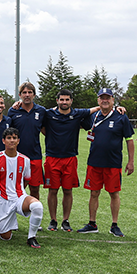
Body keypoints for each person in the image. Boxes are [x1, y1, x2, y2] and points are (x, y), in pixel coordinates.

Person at [77, 88, 135, 237]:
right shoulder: (94, 116)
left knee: (114, 194)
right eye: (102, 98)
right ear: (98, 101)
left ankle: (114, 225)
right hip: (94, 163)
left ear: (112, 100)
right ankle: (92, 223)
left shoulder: (121, 117)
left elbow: (129, 140)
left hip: (113, 163)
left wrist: (131, 161)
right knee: (93, 193)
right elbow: (78, 118)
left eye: (107, 98)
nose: (105, 100)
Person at [42, 89, 99, 232]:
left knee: (68, 190)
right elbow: (41, 127)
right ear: (57, 101)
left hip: (70, 158)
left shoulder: (77, 114)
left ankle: (65, 220)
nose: (64, 102)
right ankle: (53, 220)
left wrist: (117, 107)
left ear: (71, 101)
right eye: (62, 99)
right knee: (52, 190)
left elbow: (97, 108)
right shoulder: (49, 114)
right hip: (52, 158)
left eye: (67, 99)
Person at [0, 127, 44, 248]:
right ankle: (3, 222)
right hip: (2, 200)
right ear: (3, 141)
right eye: (9, 138)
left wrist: (19, 192)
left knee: (37, 206)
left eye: (14, 138)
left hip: (19, 197)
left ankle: (31, 237)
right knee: (6, 237)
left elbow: (26, 180)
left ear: (18, 141)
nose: (12, 140)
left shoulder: (25, 160)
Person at [7, 82, 46, 200]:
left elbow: (46, 129)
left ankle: (35, 214)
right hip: (17, 156)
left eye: (30, 92)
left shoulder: (41, 111)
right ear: (20, 95)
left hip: (35, 156)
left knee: (35, 189)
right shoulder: (13, 111)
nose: (27, 95)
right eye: (24, 92)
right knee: (16, 188)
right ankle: (13, 214)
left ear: (34, 95)